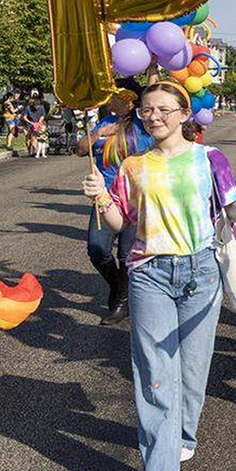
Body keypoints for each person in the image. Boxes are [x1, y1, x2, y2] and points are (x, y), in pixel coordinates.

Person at [81, 81, 236, 471]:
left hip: (202, 273)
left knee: (193, 370)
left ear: (184, 114)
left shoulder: (209, 158)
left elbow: (231, 205)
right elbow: (120, 222)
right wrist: (100, 198)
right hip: (149, 275)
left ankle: (183, 435)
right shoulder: (132, 166)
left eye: (164, 109)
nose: (155, 117)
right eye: (147, 110)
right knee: (155, 373)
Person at [76, 78, 154, 324]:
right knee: (97, 250)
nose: (108, 100)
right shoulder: (105, 121)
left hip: (134, 197)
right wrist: (98, 133)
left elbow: (151, 92)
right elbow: (80, 149)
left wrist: (152, 67)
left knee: (125, 254)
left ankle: (121, 301)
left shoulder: (142, 123)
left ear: (128, 100)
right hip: (104, 196)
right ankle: (119, 287)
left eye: (112, 96)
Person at [20, 93, 47, 157]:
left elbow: (43, 116)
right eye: (36, 107)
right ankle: (29, 151)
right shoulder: (27, 108)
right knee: (28, 139)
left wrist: (39, 121)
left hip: (36, 125)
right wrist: (30, 122)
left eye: (38, 106)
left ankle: (35, 151)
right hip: (27, 125)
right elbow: (24, 117)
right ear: (33, 105)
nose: (37, 108)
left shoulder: (41, 108)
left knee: (35, 137)